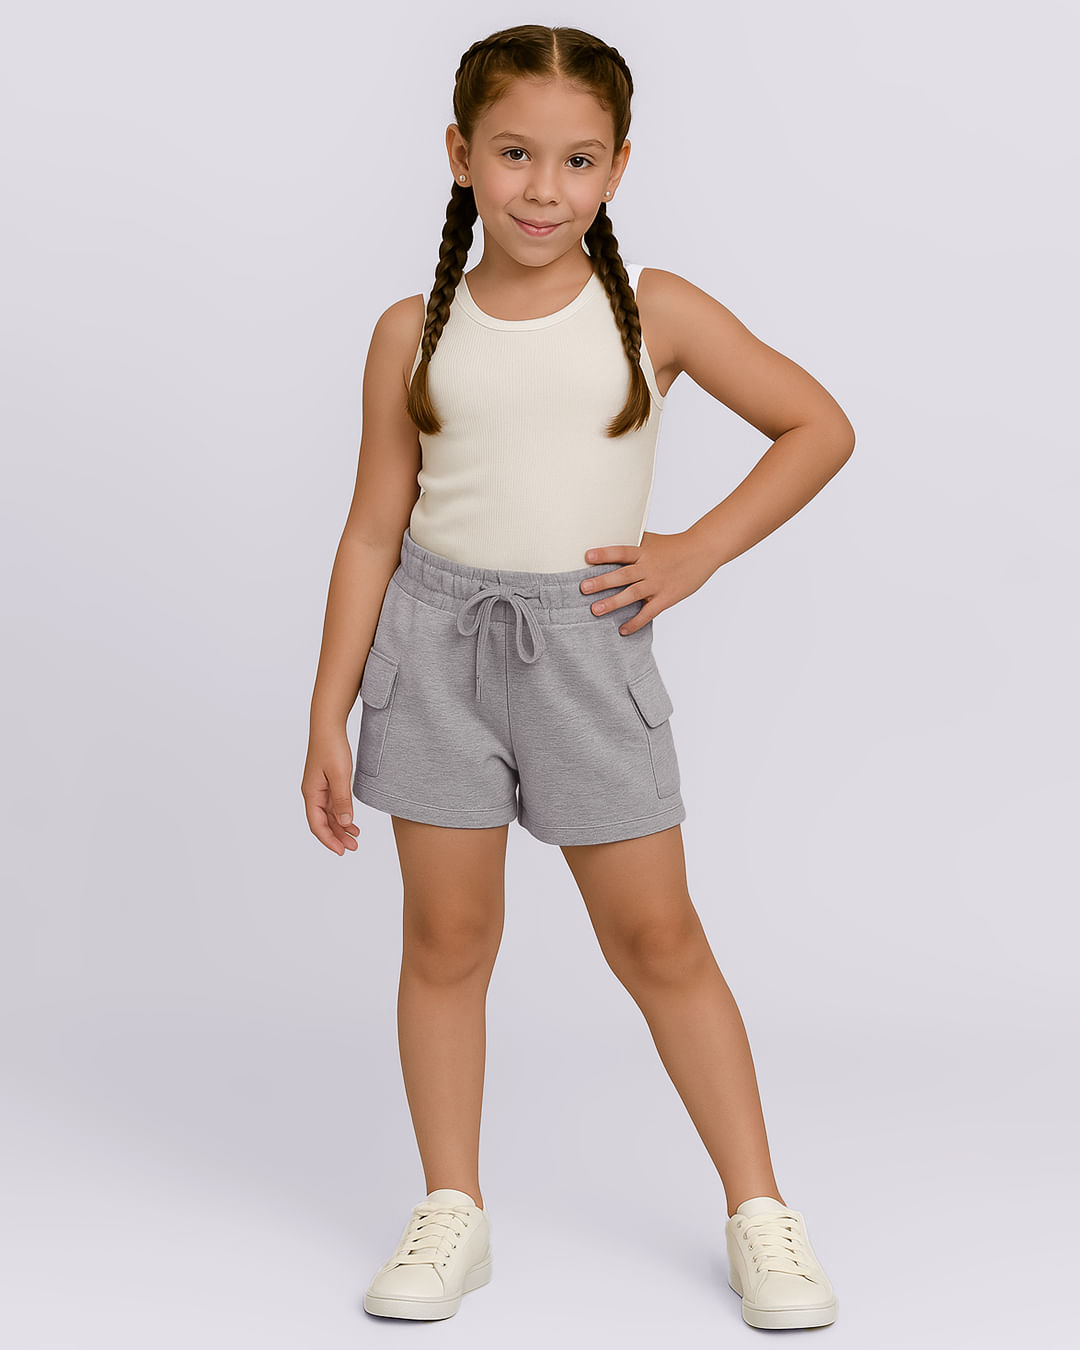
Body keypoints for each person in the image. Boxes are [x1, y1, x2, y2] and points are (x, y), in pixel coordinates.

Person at [302, 23, 854, 1331]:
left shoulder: (653, 311)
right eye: (513, 154)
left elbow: (816, 425)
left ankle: (761, 1211)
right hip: (433, 650)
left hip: (586, 653)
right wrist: (328, 709)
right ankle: (453, 1207)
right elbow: (373, 527)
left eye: (577, 160)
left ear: (616, 166)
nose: (543, 189)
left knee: (659, 938)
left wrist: (693, 551)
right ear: (460, 155)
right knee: (447, 939)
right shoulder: (410, 331)